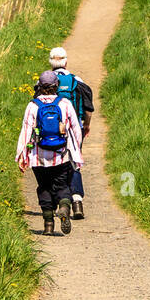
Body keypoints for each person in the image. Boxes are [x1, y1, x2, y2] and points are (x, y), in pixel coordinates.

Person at [17, 70, 84, 235]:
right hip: (61, 155)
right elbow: (76, 129)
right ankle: (63, 207)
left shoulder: (33, 105)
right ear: (57, 86)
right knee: (62, 185)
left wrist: (21, 155)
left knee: (44, 187)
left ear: (39, 86)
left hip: (38, 157)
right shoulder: (65, 103)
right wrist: (76, 150)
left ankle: (48, 224)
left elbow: (25, 131)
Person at [49, 47, 93, 219]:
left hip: (51, 131)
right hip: (75, 129)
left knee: (53, 164)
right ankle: (76, 202)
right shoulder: (76, 80)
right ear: (66, 62)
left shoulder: (45, 81)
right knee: (73, 162)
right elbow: (88, 108)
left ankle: (54, 202)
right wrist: (86, 125)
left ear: (50, 62)